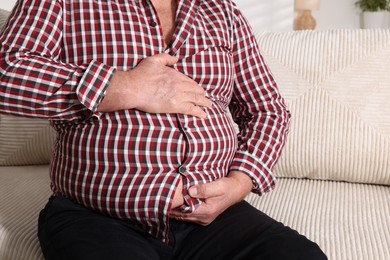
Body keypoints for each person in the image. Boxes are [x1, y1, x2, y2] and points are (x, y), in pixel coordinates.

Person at [0, 0, 327, 259]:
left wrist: (240, 183)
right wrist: (123, 87)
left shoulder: (222, 11)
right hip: (97, 216)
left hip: (212, 217)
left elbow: (267, 109)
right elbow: (7, 74)